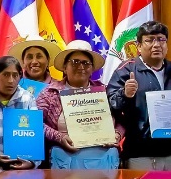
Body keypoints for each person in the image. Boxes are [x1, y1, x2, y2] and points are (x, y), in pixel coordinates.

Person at [107, 21, 171, 171]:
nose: (156, 44)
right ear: (139, 46)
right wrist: (125, 94)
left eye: (161, 39)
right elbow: (110, 104)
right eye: (150, 40)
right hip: (139, 152)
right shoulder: (126, 70)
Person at [36, 40, 123, 170]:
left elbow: (123, 119)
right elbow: (36, 123)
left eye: (86, 63)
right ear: (65, 67)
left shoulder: (105, 90)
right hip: (65, 161)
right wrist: (59, 137)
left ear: (92, 68)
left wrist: (117, 134)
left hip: (104, 161)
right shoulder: (49, 93)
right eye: (75, 62)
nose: (81, 66)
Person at [0, 56, 41, 172]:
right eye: (5, 75)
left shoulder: (28, 99)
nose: (10, 80)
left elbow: (36, 140)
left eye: (15, 75)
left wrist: (30, 163)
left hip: (22, 174)